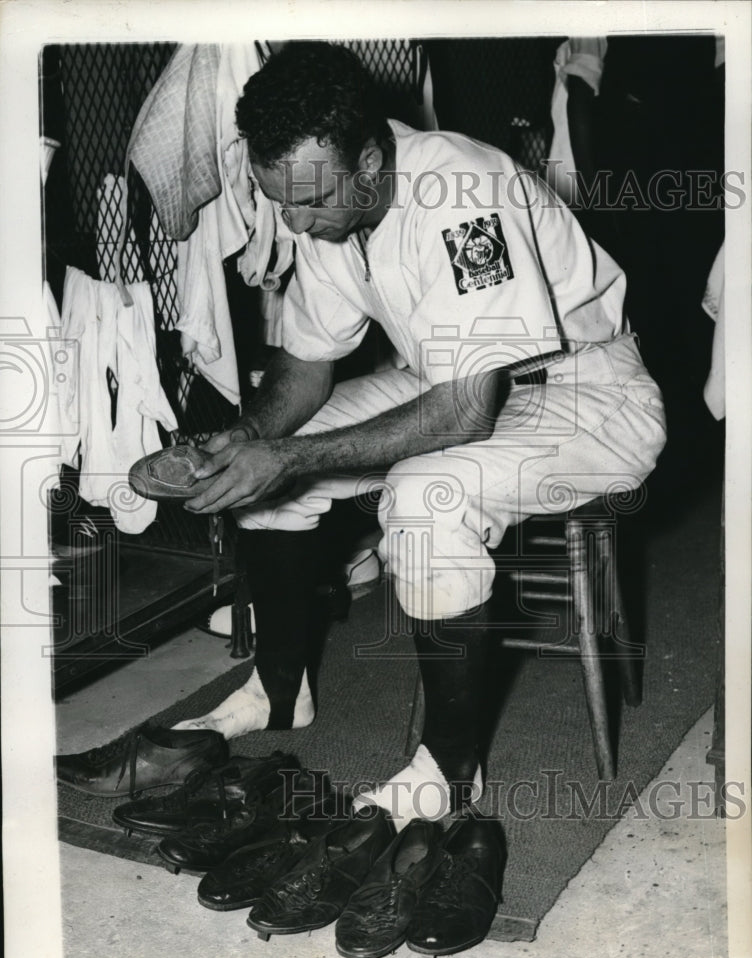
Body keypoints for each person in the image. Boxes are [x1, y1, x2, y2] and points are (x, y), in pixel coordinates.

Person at [173, 41, 667, 830]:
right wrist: (249, 442)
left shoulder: (458, 188)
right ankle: (278, 688)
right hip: (453, 380)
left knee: (424, 495)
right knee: (257, 470)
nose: (295, 223)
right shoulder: (323, 196)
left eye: (310, 202)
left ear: (370, 160)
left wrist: (288, 458)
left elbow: (465, 413)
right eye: (280, 204)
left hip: (588, 393)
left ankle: (448, 774)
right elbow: (305, 367)